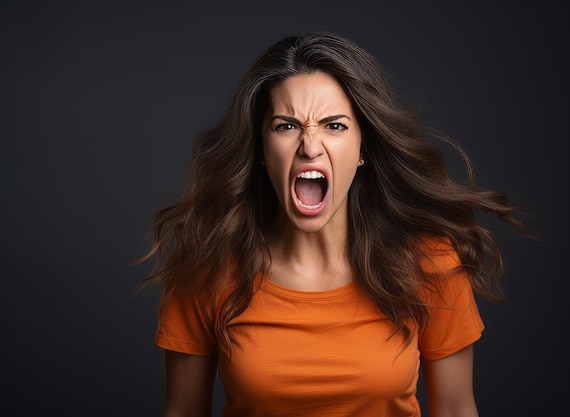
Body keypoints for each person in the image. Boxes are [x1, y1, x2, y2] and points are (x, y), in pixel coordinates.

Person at [138, 31, 529, 417]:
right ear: (260, 149)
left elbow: (457, 409)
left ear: (363, 149)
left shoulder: (432, 263)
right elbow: (183, 410)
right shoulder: (204, 269)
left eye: (335, 125)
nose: (310, 146)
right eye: (286, 126)